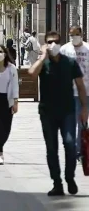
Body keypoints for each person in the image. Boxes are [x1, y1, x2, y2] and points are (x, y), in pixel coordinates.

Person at [28, 31, 88, 196]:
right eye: (49, 42)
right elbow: (32, 74)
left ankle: (69, 178)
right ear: (45, 44)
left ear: (60, 44)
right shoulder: (43, 63)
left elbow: (81, 86)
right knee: (51, 148)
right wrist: (42, 56)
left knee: (70, 144)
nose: (52, 44)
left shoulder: (69, 62)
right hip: (47, 112)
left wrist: (84, 108)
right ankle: (57, 183)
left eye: (55, 41)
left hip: (67, 110)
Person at [60, 26, 89, 161]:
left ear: (81, 34)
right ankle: (75, 149)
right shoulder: (65, 49)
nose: (74, 37)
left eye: (76, 34)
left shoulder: (87, 49)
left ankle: (80, 150)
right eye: (71, 35)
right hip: (69, 92)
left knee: (82, 122)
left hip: (86, 91)